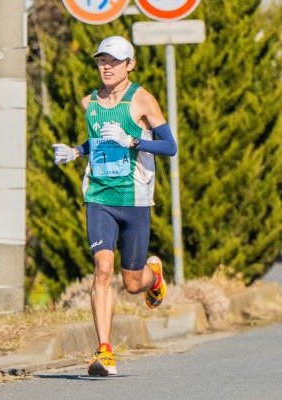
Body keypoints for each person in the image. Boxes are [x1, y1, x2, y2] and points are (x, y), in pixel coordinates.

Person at [52, 36, 177, 376]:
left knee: (133, 283)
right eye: (101, 61)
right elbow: (96, 140)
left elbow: (170, 146)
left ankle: (155, 277)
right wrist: (76, 152)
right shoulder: (89, 102)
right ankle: (104, 352)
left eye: (114, 61)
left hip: (134, 199)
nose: (106, 66)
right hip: (99, 197)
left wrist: (134, 139)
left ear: (129, 65)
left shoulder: (142, 100)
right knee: (102, 270)